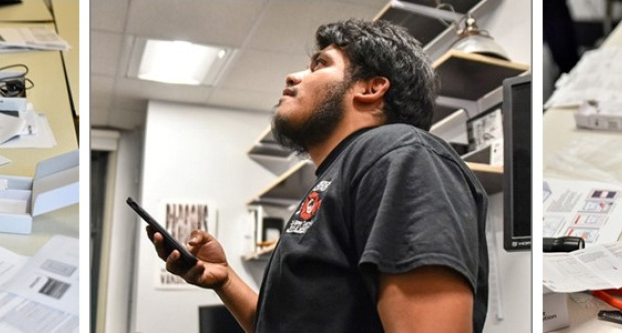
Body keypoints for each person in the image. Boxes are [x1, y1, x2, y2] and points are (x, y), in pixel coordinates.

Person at [145, 19, 490, 332]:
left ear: (371, 89)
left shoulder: (402, 154)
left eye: (320, 64)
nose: (293, 76)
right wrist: (225, 280)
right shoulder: (343, 173)